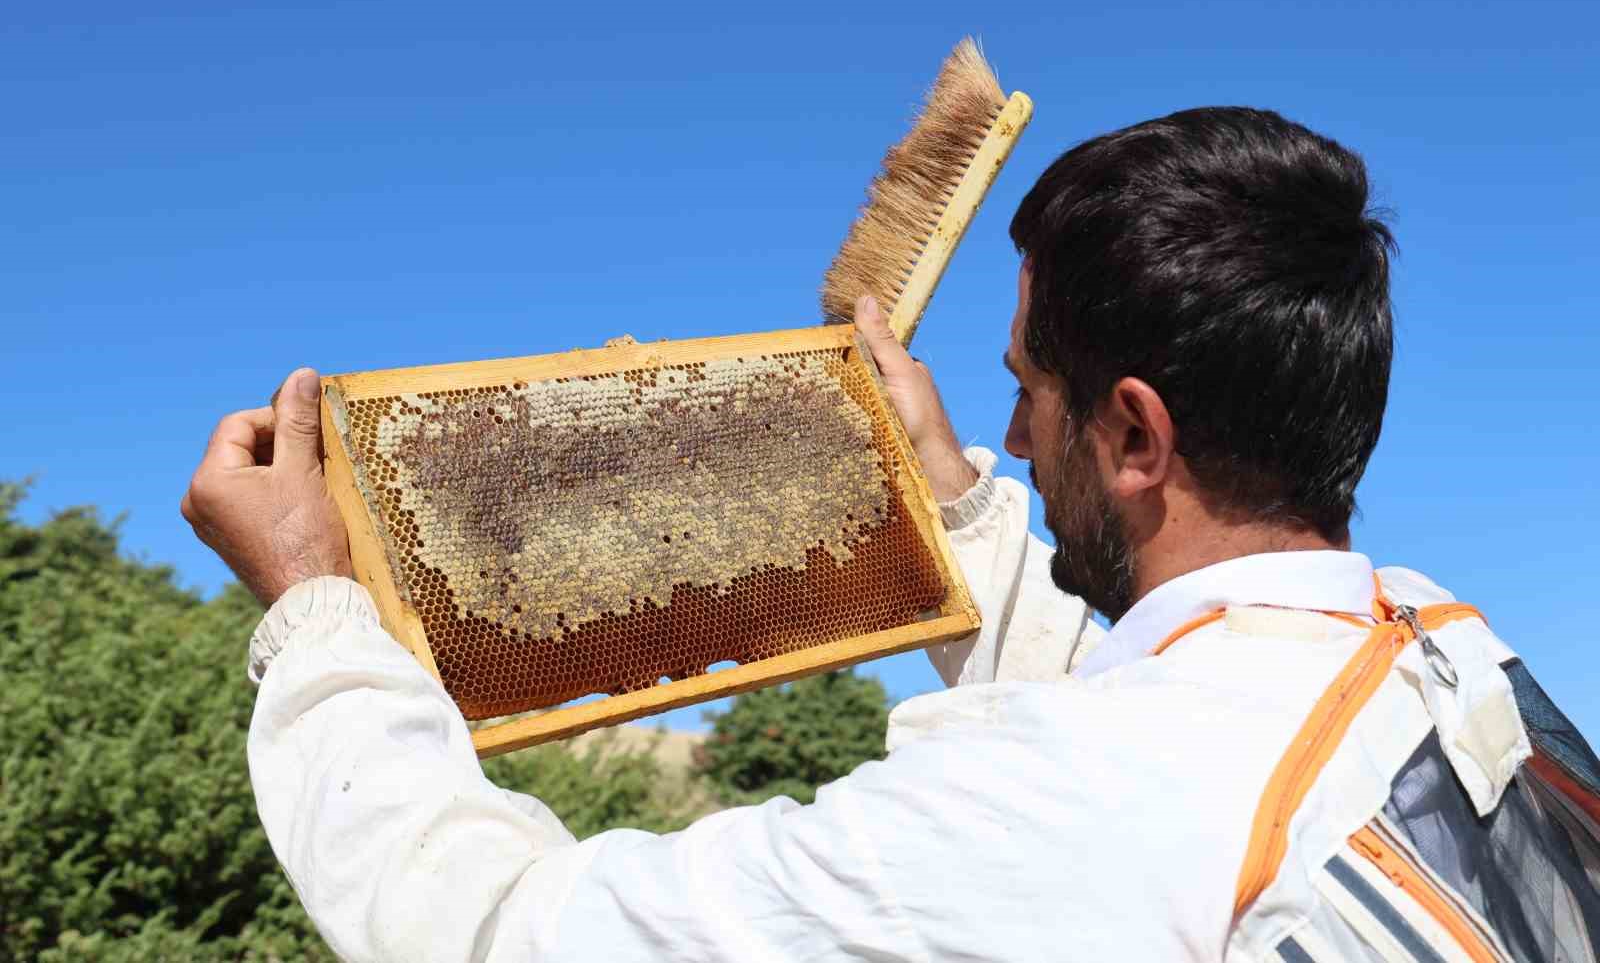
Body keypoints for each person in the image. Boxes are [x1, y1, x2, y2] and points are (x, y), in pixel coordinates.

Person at [183, 107, 1600, 962]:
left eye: (1024, 391)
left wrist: (316, 611)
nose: (1012, 432)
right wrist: (955, 498)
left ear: (1136, 436)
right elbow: (1170, 750)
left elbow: (501, 932)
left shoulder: (1056, 815)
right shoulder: (1431, 650)